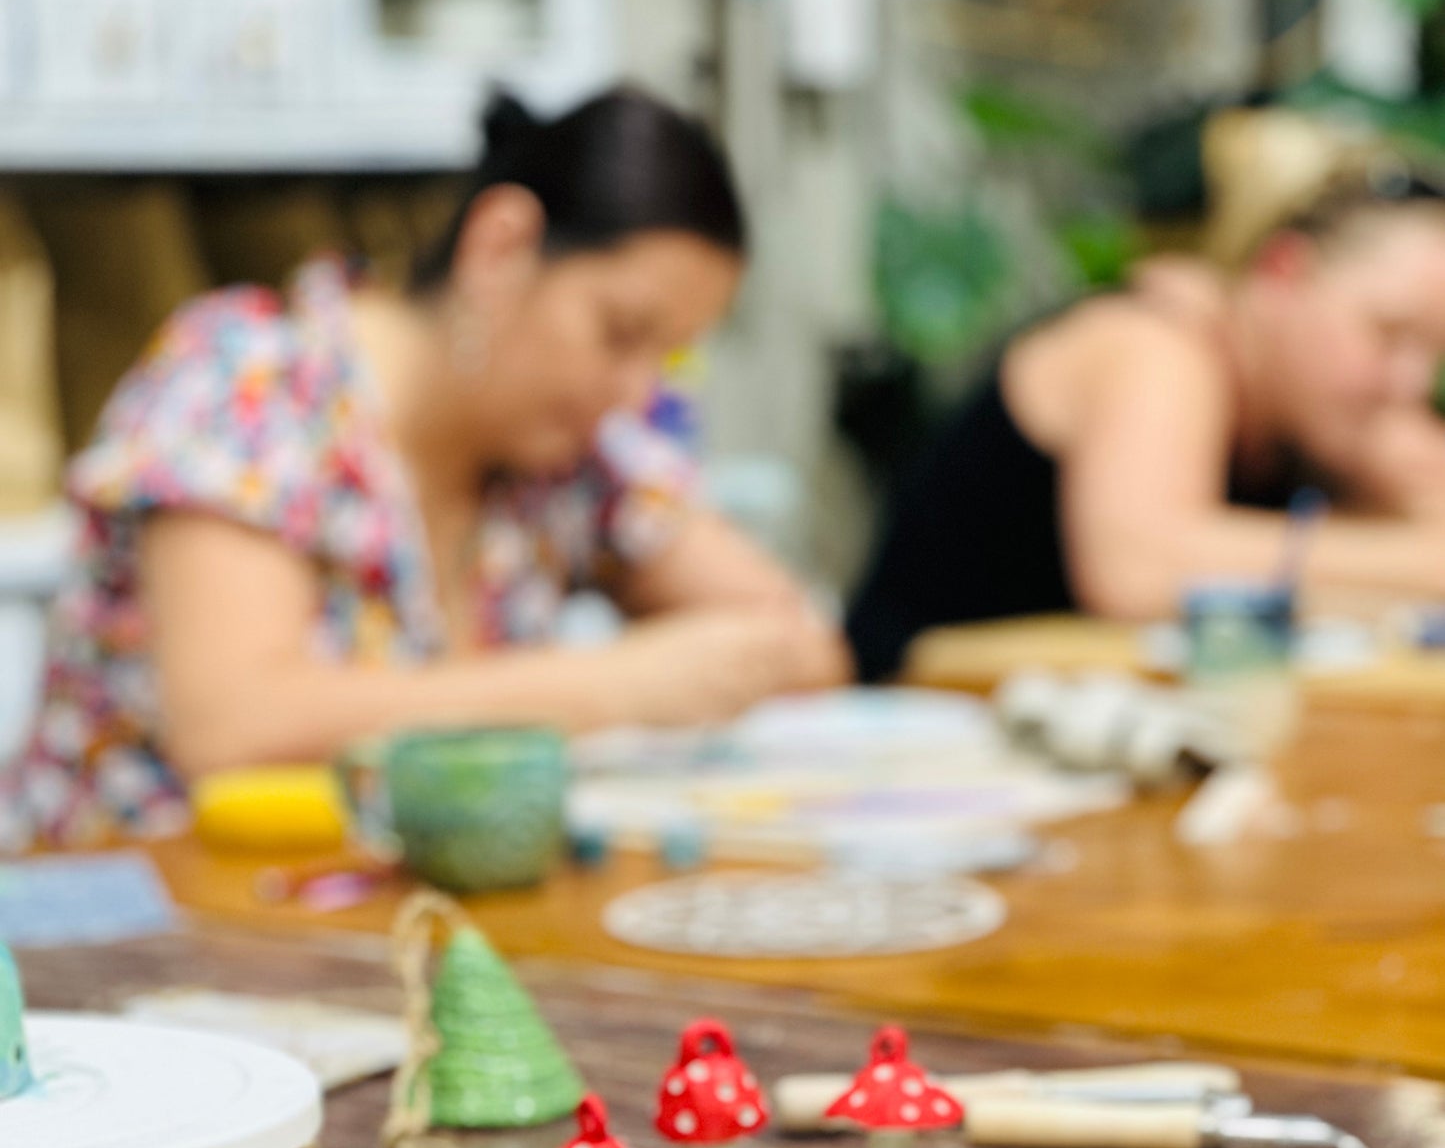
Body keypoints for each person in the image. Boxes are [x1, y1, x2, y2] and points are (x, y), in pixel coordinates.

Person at [6, 86, 848, 846]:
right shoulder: (252, 379)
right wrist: (618, 686)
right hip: (123, 926)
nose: (634, 390)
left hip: (363, 933)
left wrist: (718, 657)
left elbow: (802, 644)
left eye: (665, 356)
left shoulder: (571, 456)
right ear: (500, 246)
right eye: (620, 332)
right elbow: (233, 726)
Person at [847, 115, 1445, 682]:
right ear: (1282, 271)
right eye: (1388, 334)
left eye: (1433, 354)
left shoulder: (1309, 422)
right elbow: (1139, 572)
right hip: (902, 733)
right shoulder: (1156, 346)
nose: (1409, 381)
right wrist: (1416, 562)